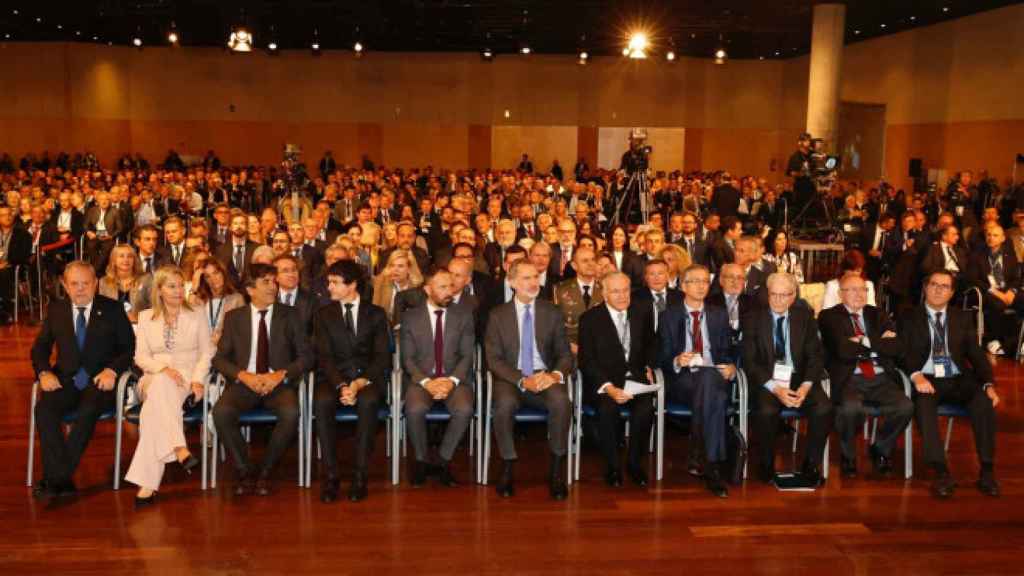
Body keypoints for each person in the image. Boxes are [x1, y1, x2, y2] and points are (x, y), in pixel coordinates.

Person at [30, 261, 135, 499]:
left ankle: (55, 478)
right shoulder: (57, 310)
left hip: (100, 382)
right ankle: (62, 479)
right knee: (44, 410)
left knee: (88, 409)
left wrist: (112, 370)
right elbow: (40, 348)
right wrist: (44, 372)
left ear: (95, 284)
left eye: (85, 283)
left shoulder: (112, 309)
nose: (80, 289)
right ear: (65, 286)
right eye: (74, 284)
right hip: (64, 381)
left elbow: (128, 348)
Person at [212, 263, 313, 497]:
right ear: (250, 289)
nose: (273, 287)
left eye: (273, 281)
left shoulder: (291, 315)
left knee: (290, 413)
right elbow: (219, 359)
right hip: (244, 384)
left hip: (278, 383)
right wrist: (243, 375)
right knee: (221, 412)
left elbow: (307, 357)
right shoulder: (234, 318)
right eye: (265, 282)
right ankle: (244, 469)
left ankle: (266, 470)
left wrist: (280, 375)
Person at [900, 270, 1000, 499]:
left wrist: (988, 383)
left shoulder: (962, 318)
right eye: (933, 284)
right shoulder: (908, 316)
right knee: (923, 406)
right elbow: (902, 353)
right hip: (927, 379)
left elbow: (976, 354)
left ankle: (986, 470)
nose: (937, 289)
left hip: (958, 379)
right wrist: (915, 375)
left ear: (952, 293)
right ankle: (942, 472)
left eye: (944, 286)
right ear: (925, 288)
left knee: (984, 402)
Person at [485, 259, 573, 500]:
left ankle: (556, 470)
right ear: (511, 282)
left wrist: (554, 375)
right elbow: (493, 360)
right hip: (511, 378)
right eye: (526, 278)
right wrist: (523, 381)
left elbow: (565, 355)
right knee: (503, 405)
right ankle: (507, 465)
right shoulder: (497, 315)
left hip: (544, 376)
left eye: (535, 277)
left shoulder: (551, 312)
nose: (533, 282)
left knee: (562, 402)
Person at [126, 266, 214, 506]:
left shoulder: (196, 312)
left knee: (150, 413)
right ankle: (178, 447)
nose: (177, 291)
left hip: (186, 378)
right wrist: (162, 369)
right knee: (161, 384)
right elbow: (140, 357)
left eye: (180, 285)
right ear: (160, 290)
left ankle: (148, 485)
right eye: (171, 286)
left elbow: (207, 352)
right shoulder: (146, 316)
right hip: (153, 376)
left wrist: (197, 379)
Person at [819, 274, 913, 479]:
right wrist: (879, 343)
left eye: (863, 289)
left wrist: (862, 340)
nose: (859, 294)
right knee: (850, 409)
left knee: (905, 406)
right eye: (852, 290)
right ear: (840, 294)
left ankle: (881, 448)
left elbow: (897, 347)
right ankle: (848, 455)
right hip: (849, 378)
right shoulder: (828, 316)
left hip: (880, 377)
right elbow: (842, 349)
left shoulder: (877, 314)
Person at [743, 272, 831, 485]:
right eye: (774, 294)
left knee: (823, 408)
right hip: (767, 381)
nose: (778, 300)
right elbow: (750, 361)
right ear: (767, 294)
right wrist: (776, 389)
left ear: (793, 296)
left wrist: (806, 386)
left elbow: (815, 356)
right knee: (766, 410)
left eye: (784, 295)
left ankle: (811, 463)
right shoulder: (753, 318)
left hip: (799, 379)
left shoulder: (805, 318)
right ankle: (766, 462)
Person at [313, 260, 390, 503]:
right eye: (329, 282)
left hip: (367, 378)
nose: (329, 288)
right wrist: (342, 385)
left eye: (335, 283)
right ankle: (332, 475)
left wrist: (358, 383)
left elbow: (382, 357)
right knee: (322, 401)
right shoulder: (323, 315)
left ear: (352, 284)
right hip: (333, 378)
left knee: (368, 403)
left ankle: (360, 475)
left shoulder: (375, 314)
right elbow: (323, 357)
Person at [658, 265, 738, 497]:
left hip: (714, 375)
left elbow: (727, 351)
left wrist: (732, 366)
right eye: (695, 281)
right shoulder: (668, 316)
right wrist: (676, 359)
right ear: (683, 286)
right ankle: (712, 463)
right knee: (716, 395)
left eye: (705, 281)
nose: (702, 286)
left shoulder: (718, 314)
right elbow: (661, 358)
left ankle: (703, 457)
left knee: (711, 381)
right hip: (682, 380)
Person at [578, 272, 656, 488]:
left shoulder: (641, 312)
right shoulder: (590, 319)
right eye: (615, 291)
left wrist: (649, 365)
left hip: (636, 381)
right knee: (607, 410)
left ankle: (634, 464)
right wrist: (609, 388)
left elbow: (651, 345)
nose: (622, 296)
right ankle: (612, 466)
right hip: (604, 383)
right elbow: (587, 361)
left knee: (645, 410)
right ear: (603, 293)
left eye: (625, 290)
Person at [399, 269, 475, 487]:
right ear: (427, 289)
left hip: (454, 379)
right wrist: (427, 382)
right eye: (442, 287)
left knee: (464, 409)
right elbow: (408, 358)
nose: (449, 291)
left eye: (451, 286)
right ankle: (421, 461)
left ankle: (443, 460)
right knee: (414, 409)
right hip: (421, 379)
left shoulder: (464, 314)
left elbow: (467, 355)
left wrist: (451, 381)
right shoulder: (411, 317)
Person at [967, 225, 1021, 356]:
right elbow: (973, 279)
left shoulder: (1010, 254)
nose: (991, 238)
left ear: (1003, 238)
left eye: (995, 235)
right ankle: (994, 340)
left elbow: (1016, 278)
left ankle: (1019, 341)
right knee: (998, 304)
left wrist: (1012, 291)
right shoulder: (977, 254)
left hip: (1006, 290)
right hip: (986, 291)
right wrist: (996, 292)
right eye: (989, 235)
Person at [552, 245, 602, 353]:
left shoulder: (605, 288)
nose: (590, 264)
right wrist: (571, 347)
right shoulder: (560, 290)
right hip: (570, 352)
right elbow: (555, 327)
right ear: (574, 265)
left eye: (593, 260)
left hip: (601, 352)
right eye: (585, 261)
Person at [189, 257, 245, 345]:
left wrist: (222, 338)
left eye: (216, 273)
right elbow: (187, 320)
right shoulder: (200, 299)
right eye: (208, 276)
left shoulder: (236, 299)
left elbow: (242, 332)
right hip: (202, 348)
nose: (213, 278)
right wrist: (194, 286)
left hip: (224, 351)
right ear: (204, 280)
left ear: (222, 273)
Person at [98, 243, 152, 323]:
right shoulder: (104, 282)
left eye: (130, 256)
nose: (126, 260)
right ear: (114, 260)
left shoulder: (146, 279)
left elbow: (154, 307)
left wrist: (139, 320)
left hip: (140, 326)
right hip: (113, 327)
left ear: (134, 260)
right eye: (121, 256)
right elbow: (101, 310)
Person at [373, 249, 424, 325]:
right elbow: (375, 311)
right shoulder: (381, 282)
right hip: (384, 327)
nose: (395, 270)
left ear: (409, 269)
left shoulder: (416, 287)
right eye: (392, 265)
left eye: (400, 266)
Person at [631, 259, 683, 333]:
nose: (656, 278)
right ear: (646, 277)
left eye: (660, 273)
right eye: (652, 274)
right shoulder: (634, 298)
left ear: (667, 275)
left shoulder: (680, 297)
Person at [214, 213, 259, 287]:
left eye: (242, 223)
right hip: (229, 292)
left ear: (247, 227)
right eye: (235, 224)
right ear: (230, 227)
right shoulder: (220, 250)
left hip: (251, 293)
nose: (239, 226)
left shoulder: (256, 248)